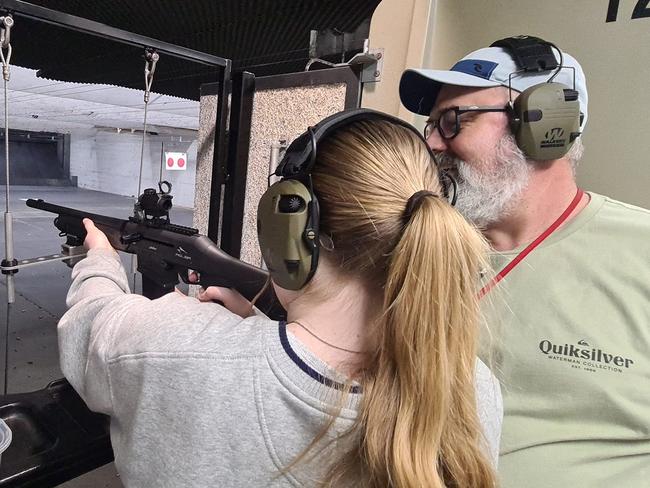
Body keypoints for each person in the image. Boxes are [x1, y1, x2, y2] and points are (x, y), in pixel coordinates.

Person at [58, 109, 502, 488]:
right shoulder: (470, 387)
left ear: (285, 228)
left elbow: (90, 323)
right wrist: (263, 332)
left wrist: (98, 257)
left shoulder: (166, 342)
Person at [399, 35, 650, 487]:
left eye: (454, 120)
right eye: (431, 124)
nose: (432, 143)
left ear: (543, 122)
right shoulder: (422, 245)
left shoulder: (642, 252)